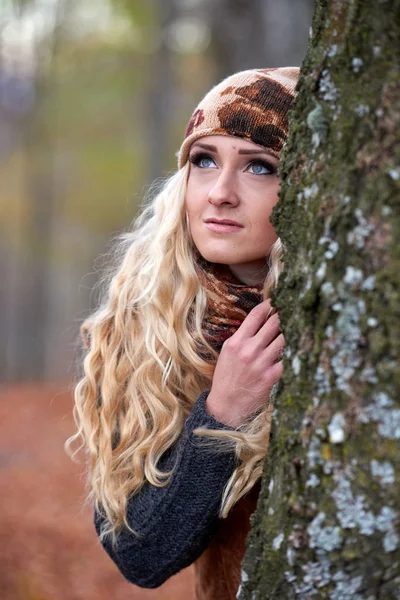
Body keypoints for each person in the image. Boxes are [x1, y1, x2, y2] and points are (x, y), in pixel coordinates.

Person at [67, 66, 299, 600]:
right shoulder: (149, 325)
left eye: (260, 167)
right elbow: (138, 554)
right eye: (204, 160)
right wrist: (223, 415)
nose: (220, 192)